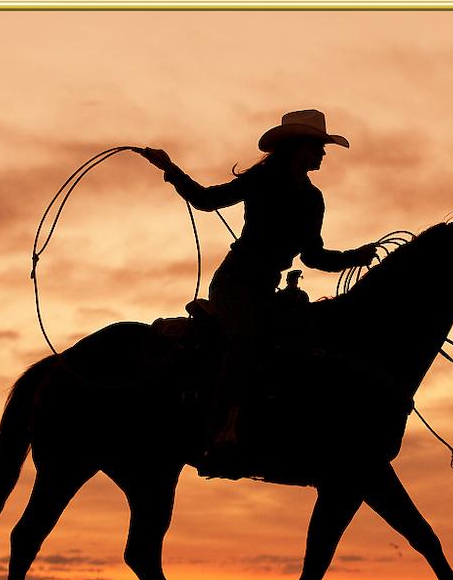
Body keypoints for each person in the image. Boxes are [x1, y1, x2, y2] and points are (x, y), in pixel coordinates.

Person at [141, 109, 376, 468]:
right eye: (319, 147)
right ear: (300, 148)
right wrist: (171, 170)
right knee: (244, 339)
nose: (323, 154)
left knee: (304, 339)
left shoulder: (313, 199)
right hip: (235, 283)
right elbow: (206, 200)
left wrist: (353, 258)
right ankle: (217, 432)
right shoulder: (263, 179)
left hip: (266, 287)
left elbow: (312, 256)